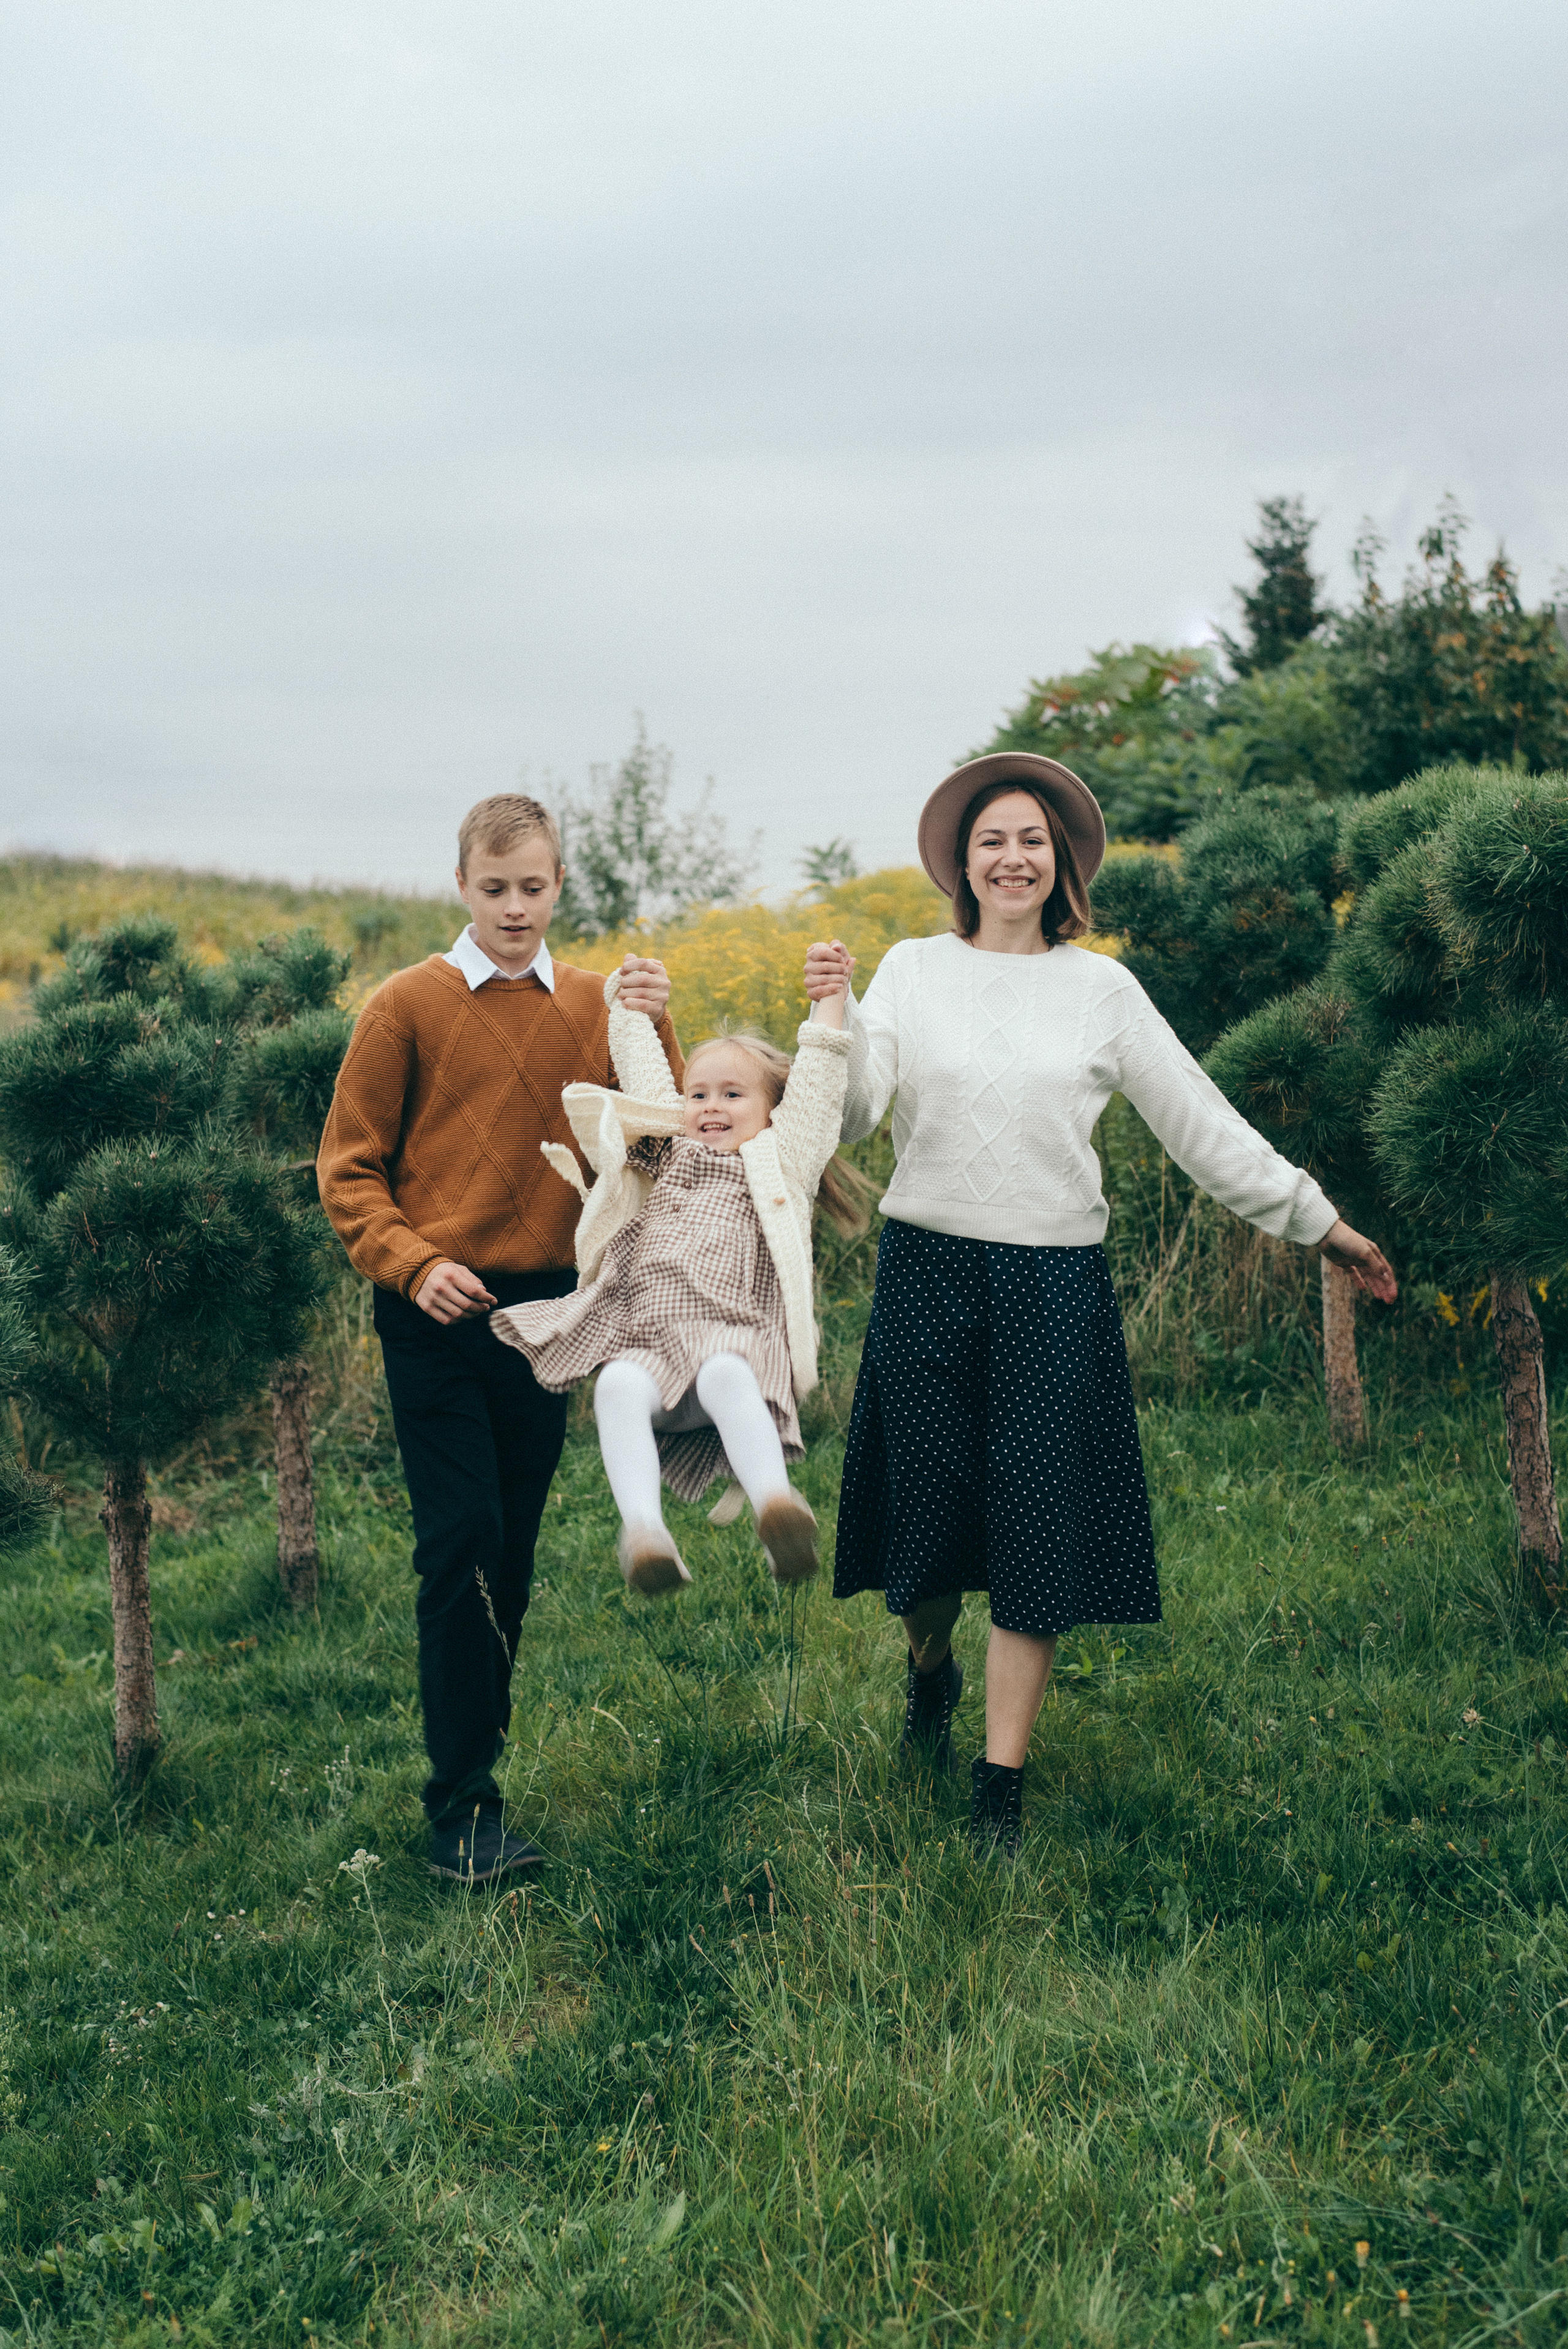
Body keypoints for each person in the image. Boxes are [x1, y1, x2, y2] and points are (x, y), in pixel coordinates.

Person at [804, 753, 1396, 1861]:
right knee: (924, 1548)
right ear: (964, 864)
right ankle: (928, 1677)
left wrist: (1323, 1223)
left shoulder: (1102, 992)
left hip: (1052, 1288)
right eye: (993, 841)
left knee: (1034, 1534)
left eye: (1032, 839)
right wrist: (833, 1018)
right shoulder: (913, 970)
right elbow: (850, 1119)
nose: (1013, 857)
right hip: (927, 1272)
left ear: (1061, 860)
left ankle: (1000, 1791)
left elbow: (1201, 1124)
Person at [317, 793, 683, 1884]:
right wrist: (412, 1262)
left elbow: (658, 1144)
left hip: (547, 1316)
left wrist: (656, 1022)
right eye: (495, 889)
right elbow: (348, 1168)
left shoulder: (593, 1004)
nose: (515, 908)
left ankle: (477, 1779)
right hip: (437, 1309)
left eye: (534, 888)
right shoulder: (406, 1006)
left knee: (509, 1554)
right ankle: (460, 1810)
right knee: (461, 1540)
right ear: (462, 886)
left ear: (560, 885)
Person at [490, 964, 864, 1594]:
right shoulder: (667, 1150)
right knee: (614, 1385)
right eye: (699, 1094)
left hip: (732, 1345)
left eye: (733, 1095)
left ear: (773, 1110)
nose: (710, 1107)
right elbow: (644, 1075)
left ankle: (777, 1508)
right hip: (651, 1351)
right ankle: (644, 1534)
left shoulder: (782, 1158)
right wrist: (633, 1006)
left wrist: (829, 999)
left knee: (724, 1372)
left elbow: (822, 1079)